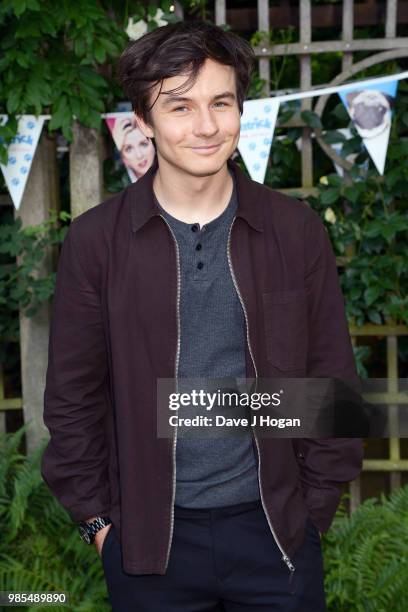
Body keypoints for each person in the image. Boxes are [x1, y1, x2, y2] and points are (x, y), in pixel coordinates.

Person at [41, 20, 364, 611]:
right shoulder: (97, 243)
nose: (207, 126)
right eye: (181, 106)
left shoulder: (293, 232)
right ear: (142, 120)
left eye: (221, 102)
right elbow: (72, 397)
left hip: (276, 537)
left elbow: (330, 382)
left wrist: (313, 511)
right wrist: (98, 525)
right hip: (149, 546)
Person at [110, 114, 156, 181]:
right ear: (123, 157)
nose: (139, 155)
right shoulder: (117, 186)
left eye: (144, 144)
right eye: (129, 149)